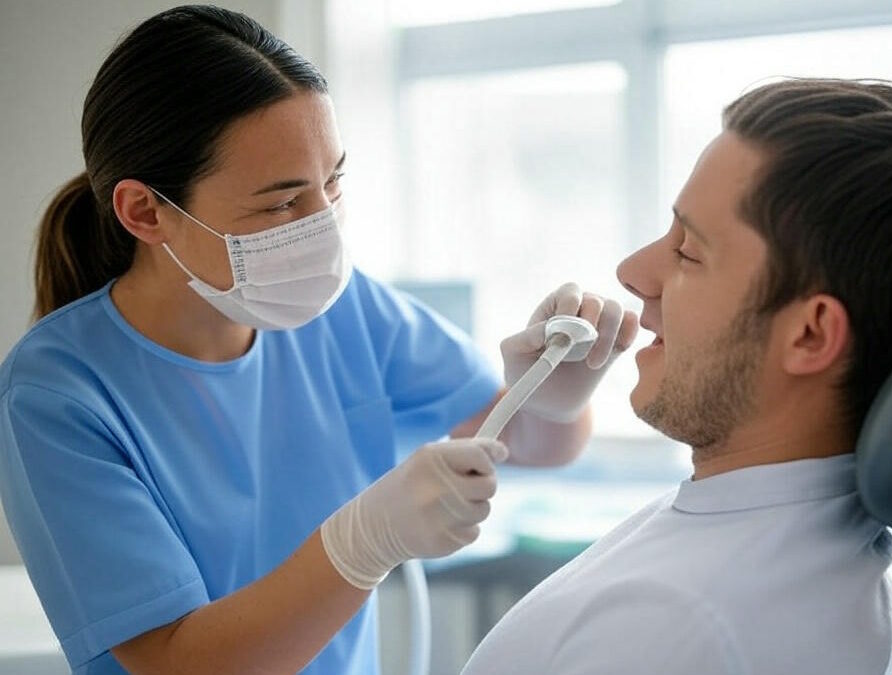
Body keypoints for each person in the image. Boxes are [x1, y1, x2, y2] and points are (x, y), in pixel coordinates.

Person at [0, 6, 638, 675]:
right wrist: (361, 540)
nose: (323, 226)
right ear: (146, 211)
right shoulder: (55, 396)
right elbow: (176, 662)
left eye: (332, 182)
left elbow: (538, 445)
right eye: (281, 204)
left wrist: (554, 393)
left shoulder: (347, 310)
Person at [460, 78, 892, 675]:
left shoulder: (673, 625)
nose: (632, 272)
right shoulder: (796, 547)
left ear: (808, 335)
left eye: (688, 253)